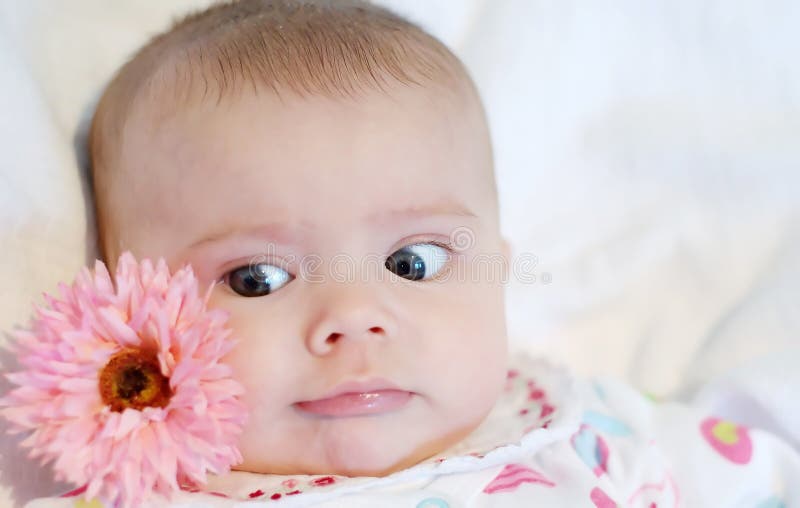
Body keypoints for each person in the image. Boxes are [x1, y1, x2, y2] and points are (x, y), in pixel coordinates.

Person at [28, 0, 800, 506]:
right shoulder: (141, 494)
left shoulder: (588, 431)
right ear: (130, 320)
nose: (353, 318)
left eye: (414, 264)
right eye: (257, 279)